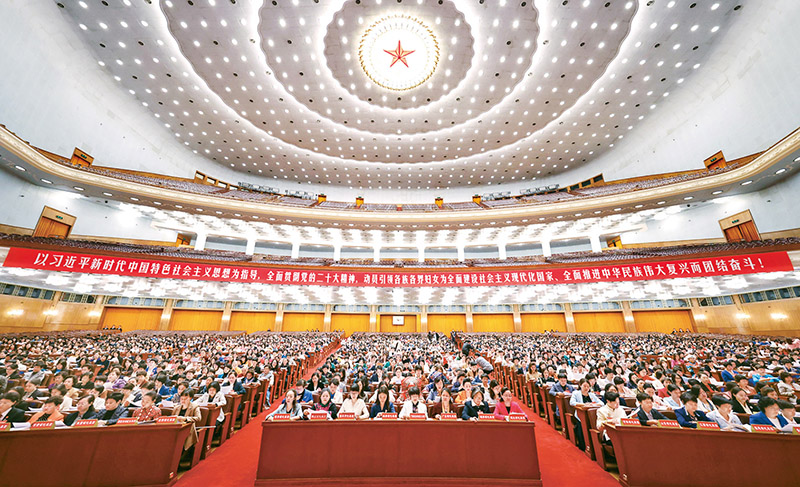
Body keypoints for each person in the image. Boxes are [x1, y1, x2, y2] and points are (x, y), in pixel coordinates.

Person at [570, 379, 602, 449]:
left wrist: (593, 404)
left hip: (592, 416)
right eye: (584, 386)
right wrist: (584, 404)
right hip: (580, 415)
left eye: (588, 386)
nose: (586, 388)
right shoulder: (576, 393)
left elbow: (601, 403)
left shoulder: (591, 394)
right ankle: (583, 445)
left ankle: (592, 446)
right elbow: (572, 402)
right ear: (580, 385)